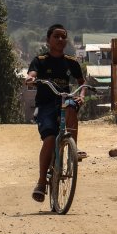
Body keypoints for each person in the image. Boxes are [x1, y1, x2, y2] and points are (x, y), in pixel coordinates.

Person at [26, 23, 87, 203]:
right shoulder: (41, 60)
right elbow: (32, 73)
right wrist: (31, 78)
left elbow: (82, 83)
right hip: (45, 105)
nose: (60, 39)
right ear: (48, 40)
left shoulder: (72, 62)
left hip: (64, 100)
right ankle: (41, 182)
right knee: (50, 139)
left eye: (63, 36)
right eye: (56, 36)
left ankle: (72, 147)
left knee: (70, 106)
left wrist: (82, 95)